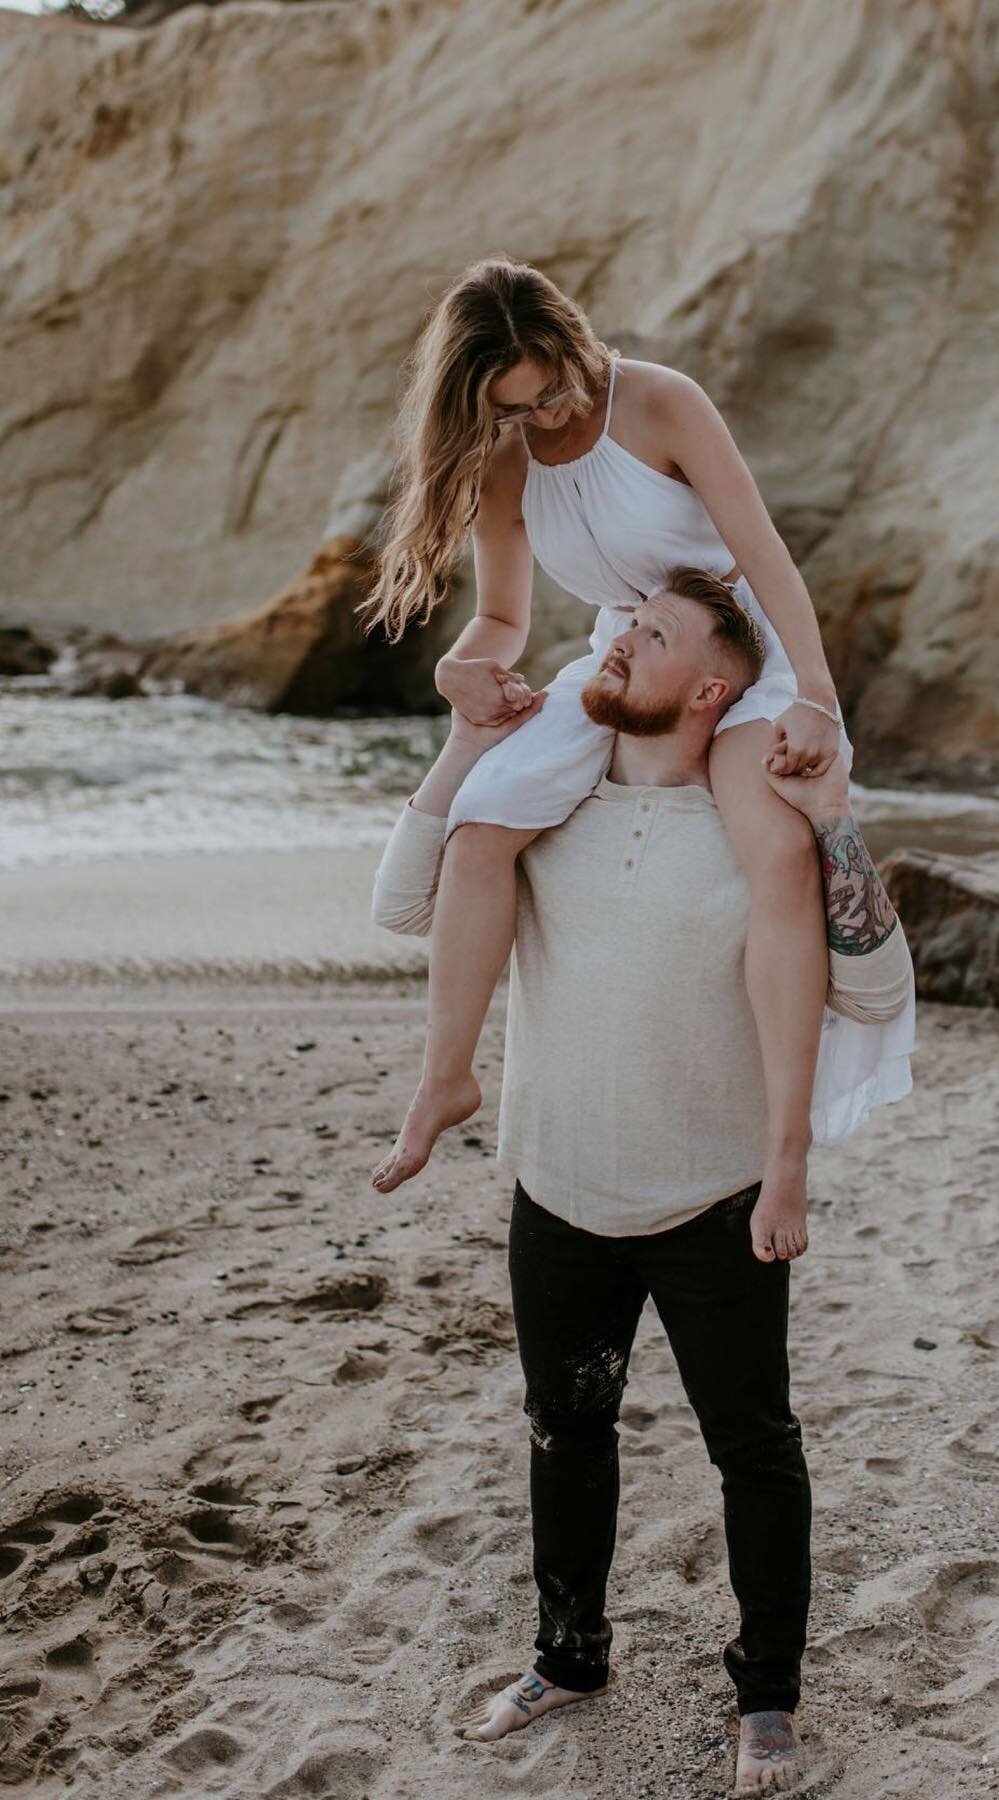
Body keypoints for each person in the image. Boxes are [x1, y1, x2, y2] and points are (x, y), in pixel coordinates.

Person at [370, 569, 912, 1792]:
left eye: (651, 635)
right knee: (567, 1432)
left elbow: (873, 989)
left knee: (753, 1450)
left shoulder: (755, 827)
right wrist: (466, 744)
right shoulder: (539, 801)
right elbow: (407, 902)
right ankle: (568, 1657)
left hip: (716, 1198)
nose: (615, 643)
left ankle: (766, 1696)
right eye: (620, 624)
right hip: (557, 1186)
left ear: (711, 687)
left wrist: (832, 820)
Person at [358, 254, 915, 1263]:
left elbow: (769, 554)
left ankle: (784, 1152)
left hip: (746, 644)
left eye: (553, 386)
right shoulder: (504, 463)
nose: (547, 414)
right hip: (625, 653)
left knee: (776, 852)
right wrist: (460, 672)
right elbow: (501, 618)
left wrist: (820, 699)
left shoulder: (660, 402)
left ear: (573, 341)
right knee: (483, 826)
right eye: (517, 407)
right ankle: (447, 1074)